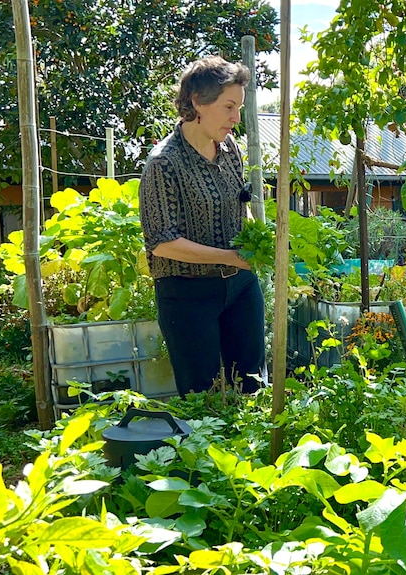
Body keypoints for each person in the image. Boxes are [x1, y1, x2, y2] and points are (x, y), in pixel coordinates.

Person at [139, 55, 265, 397]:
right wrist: (229, 256)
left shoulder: (229, 148)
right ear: (198, 102)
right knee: (202, 396)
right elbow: (163, 242)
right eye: (228, 107)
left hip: (240, 287)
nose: (236, 118)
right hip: (186, 294)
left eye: (238, 107)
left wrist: (257, 241)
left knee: (252, 387)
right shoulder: (164, 162)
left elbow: (241, 203)